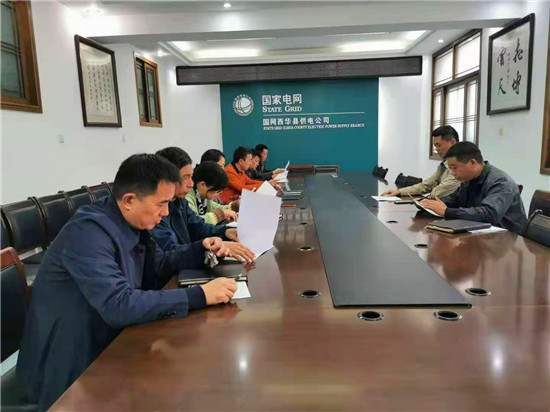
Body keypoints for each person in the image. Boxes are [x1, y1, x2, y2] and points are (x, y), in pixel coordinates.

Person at [17, 154, 238, 411]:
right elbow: (119, 304)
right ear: (130, 200)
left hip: (107, 342)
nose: (166, 212)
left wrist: (201, 248)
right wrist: (199, 295)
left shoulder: (129, 220)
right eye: (161, 204)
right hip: (69, 370)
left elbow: (157, 264)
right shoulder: (87, 232)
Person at [153, 147, 254, 262]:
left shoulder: (180, 201)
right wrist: (210, 249)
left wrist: (225, 232)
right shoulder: (156, 212)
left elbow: (197, 227)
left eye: (191, 177)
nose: (191, 184)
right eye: (185, 178)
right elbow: (169, 254)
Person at [420, 141, 527, 235]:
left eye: (454, 168)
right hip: (479, 233)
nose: (452, 173)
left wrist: (447, 211)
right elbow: (454, 199)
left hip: (507, 240)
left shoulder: (501, 182)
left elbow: (489, 214)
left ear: (473, 163)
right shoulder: (468, 179)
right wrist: (428, 204)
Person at [381, 125, 461, 198]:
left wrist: (427, 196)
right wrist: (399, 192)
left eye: (439, 145)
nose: (436, 149)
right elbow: (426, 185)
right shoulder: (444, 164)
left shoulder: (459, 166)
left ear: (452, 142)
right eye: (435, 146)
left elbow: (438, 192)